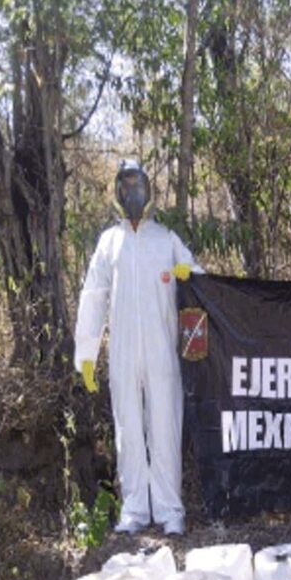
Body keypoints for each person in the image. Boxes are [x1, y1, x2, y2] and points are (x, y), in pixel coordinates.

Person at [74, 159, 202, 536]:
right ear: (117, 191)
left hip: (163, 349)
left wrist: (188, 276)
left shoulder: (165, 239)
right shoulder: (109, 243)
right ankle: (134, 509)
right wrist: (86, 354)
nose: (132, 192)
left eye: (138, 185)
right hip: (123, 352)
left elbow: (200, 278)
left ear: (148, 190)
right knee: (128, 429)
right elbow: (93, 296)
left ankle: (170, 510)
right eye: (126, 185)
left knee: (165, 427)